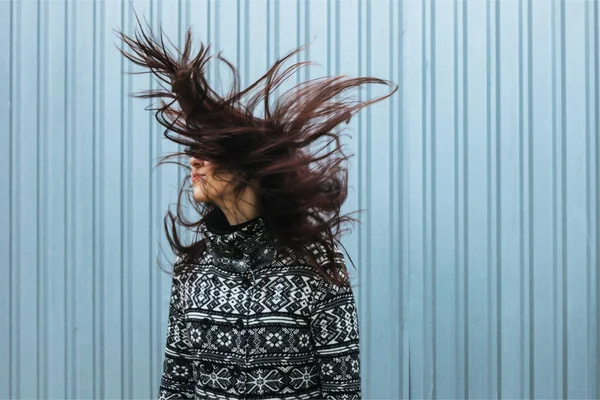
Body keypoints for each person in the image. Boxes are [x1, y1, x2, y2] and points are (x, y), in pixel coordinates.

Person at [117, 14, 396, 400]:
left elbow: (342, 392)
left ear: (249, 169)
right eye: (193, 150)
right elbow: (175, 387)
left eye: (210, 152)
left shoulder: (317, 266)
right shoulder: (191, 271)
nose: (193, 161)